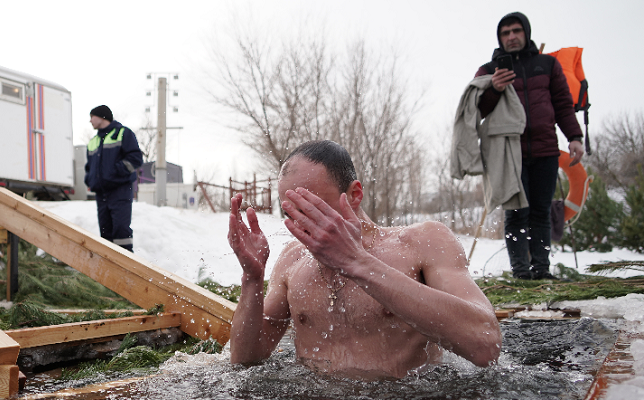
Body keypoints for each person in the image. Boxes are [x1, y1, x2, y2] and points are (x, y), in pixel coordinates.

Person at [227, 140, 501, 379]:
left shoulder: (422, 242)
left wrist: (357, 263)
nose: (302, 225)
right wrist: (251, 279)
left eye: (314, 209)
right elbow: (246, 360)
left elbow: (485, 344)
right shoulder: (291, 260)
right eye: (292, 214)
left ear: (355, 195)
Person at [476, 12, 584, 280]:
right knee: (516, 214)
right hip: (509, 154)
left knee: (541, 212)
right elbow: (476, 109)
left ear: (526, 32)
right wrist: (495, 89)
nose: (511, 36)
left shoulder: (547, 65)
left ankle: (542, 270)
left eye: (516, 31)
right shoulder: (489, 71)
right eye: (505, 33)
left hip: (546, 150)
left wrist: (574, 136)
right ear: (500, 38)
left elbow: (562, 104)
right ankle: (521, 272)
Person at [85, 105, 144, 252]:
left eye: (92, 116)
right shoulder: (93, 141)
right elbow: (89, 166)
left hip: (120, 190)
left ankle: (126, 267)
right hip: (101, 193)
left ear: (102, 117)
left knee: (121, 231)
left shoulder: (123, 133)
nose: (90, 120)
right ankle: (109, 269)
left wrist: (116, 171)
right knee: (106, 233)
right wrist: (90, 179)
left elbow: (135, 158)